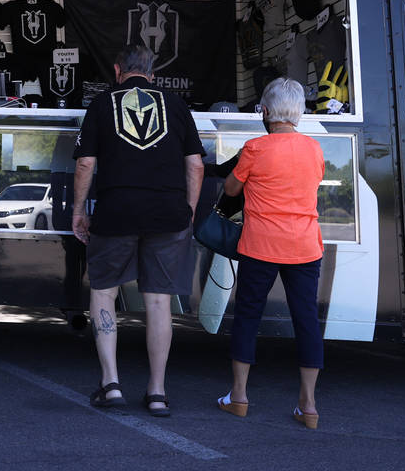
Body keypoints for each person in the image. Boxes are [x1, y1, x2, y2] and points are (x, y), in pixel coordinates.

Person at [71, 44, 204, 416]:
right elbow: (195, 166)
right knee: (159, 301)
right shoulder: (177, 106)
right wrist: (188, 211)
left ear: (117, 71)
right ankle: (157, 392)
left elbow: (85, 165)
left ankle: (111, 384)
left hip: (116, 213)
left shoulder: (100, 105)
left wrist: (79, 212)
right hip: (167, 215)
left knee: (104, 293)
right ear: (153, 73)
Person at [216, 77, 324, 429]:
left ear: (265, 110)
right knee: (306, 320)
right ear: (299, 112)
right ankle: (308, 406)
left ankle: (239, 397)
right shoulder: (314, 149)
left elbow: (232, 187)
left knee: (248, 316)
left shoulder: (255, 148)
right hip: (305, 245)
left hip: (261, 245)